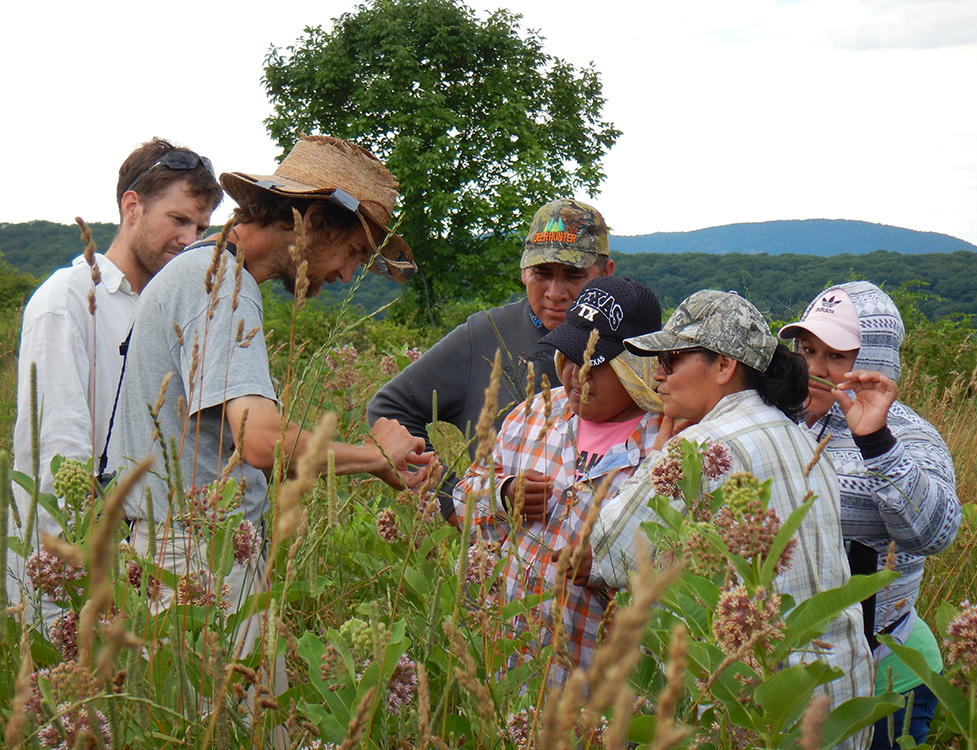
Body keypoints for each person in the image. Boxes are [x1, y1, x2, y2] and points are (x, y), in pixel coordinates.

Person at [115, 137, 430, 733]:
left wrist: (375, 465)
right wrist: (376, 452)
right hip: (198, 558)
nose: (347, 274)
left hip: (187, 550)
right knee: (240, 733)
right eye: (354, 252)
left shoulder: (210, 274)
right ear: (310, 221)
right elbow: (261, 442)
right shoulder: (219, 284)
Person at [585, 290, 873, 748]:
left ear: (724, 366)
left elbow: (611, 552)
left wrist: (655, 457)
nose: (657, 374)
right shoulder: (795, 434)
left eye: (673, 359)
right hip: (834, 696)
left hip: (753, 711)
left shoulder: (702, 445)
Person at [8, 137, 222, 621]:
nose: (190, 239)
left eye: (201, 227)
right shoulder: (67, 298)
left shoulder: (171, 311)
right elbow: (56, 449)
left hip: (148, 566)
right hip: (68, 570)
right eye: (179, 219)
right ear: (132, 206)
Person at [452, 276, 664, 684]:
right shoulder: (533, 415)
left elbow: (679, 558)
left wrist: (606, 564)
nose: (573, 374)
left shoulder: (668, 442)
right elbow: (463, 498)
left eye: (595, 364)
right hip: (508, 668)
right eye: (567, 355)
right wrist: (504, 494)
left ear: (637, 364)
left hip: (603, 684)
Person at [778, 282, 961, 749]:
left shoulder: (911, 435)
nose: (813, 369)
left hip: (884, 674)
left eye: (836, 356)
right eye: (806, 349)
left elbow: (935, 532)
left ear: (874, 365)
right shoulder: (783, 421)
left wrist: (876, 444)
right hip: (797, 671)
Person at [368, 198, 616, 525]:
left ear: (606, 273)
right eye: (542, 273)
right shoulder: (487, 336)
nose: (555, 292)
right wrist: (451, 503)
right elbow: (389, 407)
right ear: (524, 271)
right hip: (501, 560)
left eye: (574, 275)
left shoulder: (626, 340)